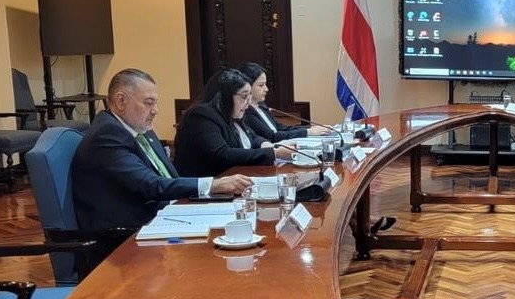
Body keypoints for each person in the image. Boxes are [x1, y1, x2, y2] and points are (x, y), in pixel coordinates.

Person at [72, 68, 253, 230]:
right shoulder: (107, 135)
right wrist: (212, 185)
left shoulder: (138, 129)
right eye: (148, 103)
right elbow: (149, 185)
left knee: (237, 221)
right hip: (127, 233)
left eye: (155, 103)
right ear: (121, 101)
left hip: (166, 214)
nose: (155, 110)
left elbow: (168, 176)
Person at [174, 68, 295, 177]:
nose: (248, 103)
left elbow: (252, 137)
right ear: (225, 96)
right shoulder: (201, 116)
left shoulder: (232, 115)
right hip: (207, 186)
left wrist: (266, 144)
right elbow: (223, 154)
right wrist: (274, 153)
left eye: (249, 97)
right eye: (244, 97)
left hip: (235, 179)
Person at [240, 62, 332, 142]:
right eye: (261, 85)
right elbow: (272, 137)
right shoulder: (247, 111)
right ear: (248, 86)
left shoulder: (261, 105)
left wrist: (310, 128)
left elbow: (280, 128)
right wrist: (308, 132)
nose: (266, 89)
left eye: (265, 84)